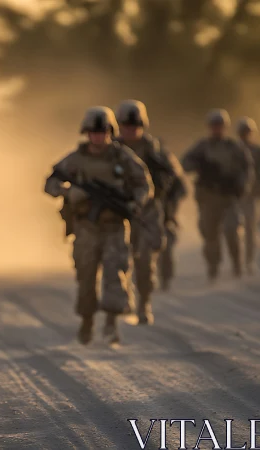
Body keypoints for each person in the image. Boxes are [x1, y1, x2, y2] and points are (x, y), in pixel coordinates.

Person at [44, 106, 153, 344]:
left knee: (116, 273)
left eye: (102, 131)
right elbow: (50, 182)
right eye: (93, 132)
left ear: (110, 132)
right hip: (86, 228)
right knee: (86, 275)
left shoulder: (122, 157)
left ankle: (111, 324)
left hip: (114, 226)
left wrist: (136, 202)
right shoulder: (75, 159)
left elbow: (144, 183)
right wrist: (68, 191)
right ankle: (87, 322)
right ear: (86, 133)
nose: (98, 136)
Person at [115, 99, 186, 322]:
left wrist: (167, 206)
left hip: (148, 213)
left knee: (145, 261)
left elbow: (176, 180)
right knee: (118, 258)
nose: (130, 130)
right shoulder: (112, 150)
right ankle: (125, 296)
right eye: (126, 125)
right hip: (119, 211)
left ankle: (143, 303)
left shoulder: (156, 151)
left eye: (135, 125)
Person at [181, 109, 254, 282]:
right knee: (210, 234)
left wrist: (241, 186)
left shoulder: (234, 147)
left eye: (220, 126)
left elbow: (247, 169)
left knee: (231, 230)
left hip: (228, 197)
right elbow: (185, 163)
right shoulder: (203, 146)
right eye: (214, 126)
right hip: (208, 198)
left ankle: (237, 263)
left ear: (225, 127)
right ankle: (213, 267)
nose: (217, 129)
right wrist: (200, 165)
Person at [236, 117, 260, 275]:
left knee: (250, 229)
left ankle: (249, 262)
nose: (245, 135)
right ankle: (236, 262)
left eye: (247, 132)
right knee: (231, 229)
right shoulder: (232, 150)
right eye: (243, 132)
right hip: (234, 197)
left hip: (252, 197)